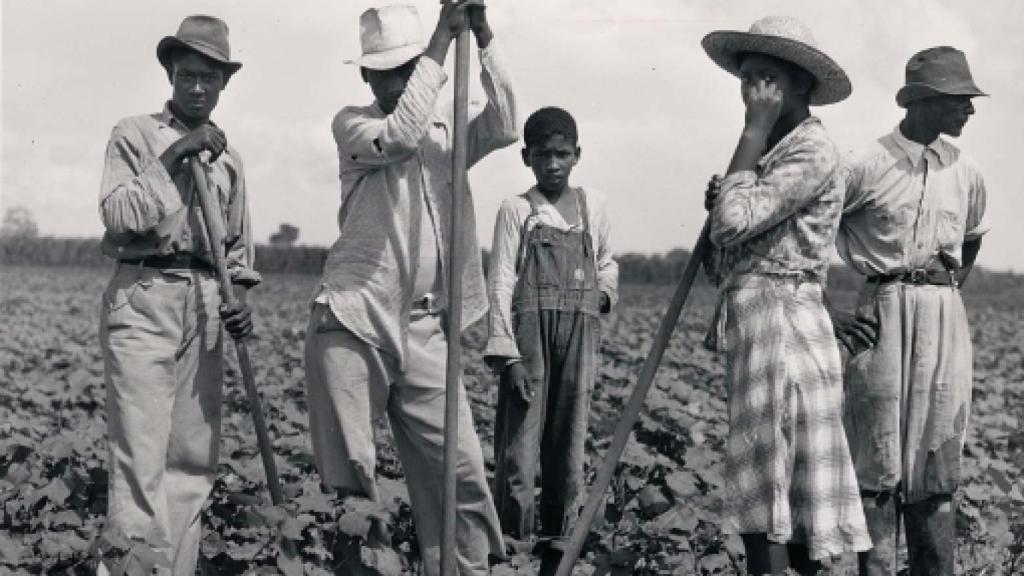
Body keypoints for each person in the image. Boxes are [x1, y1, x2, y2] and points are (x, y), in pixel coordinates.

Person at [302, 2, 517, 573]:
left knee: (462, 473)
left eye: (407, 69)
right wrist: (440, 47)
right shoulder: (354, 123)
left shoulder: (445, 132)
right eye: (387, 71)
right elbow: (399, 137)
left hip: (424, 325)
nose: (398, 82)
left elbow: (506, 123)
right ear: (366, 75)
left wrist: (483, 35)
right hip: (354, 319)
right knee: (354, 483)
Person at [700, 16, 872, 575]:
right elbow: (720, 257)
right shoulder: (770, 152)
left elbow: (731, 225)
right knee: (773, 489)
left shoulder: (812, 150)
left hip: (785, 330)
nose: (754, 92)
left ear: (800, 86)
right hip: (760, 325)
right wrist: (735, 181)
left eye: (767, 79)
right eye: (747, 79)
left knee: (776, 494)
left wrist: (748, 143)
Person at [96, 15, 258, 574]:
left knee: (191, 462)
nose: (197, 88)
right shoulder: (134, 134)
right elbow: (118, 218)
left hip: (205, 306)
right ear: (170, 73)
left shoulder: (230, 159)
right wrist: (176, 154)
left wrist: (238, 300)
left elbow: (236, 252)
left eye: (209, 79)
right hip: (143, 295)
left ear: (223, 84)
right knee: (141, 459)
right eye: (187, 75)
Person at [830, 46, 988, 576]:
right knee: (875, 465)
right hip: (882, 313)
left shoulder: (966, 172)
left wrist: (939, 290)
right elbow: (808, 231)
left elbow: (970, 240)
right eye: (959, 101)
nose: (968, 111)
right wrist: (829, 307)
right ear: (922, 101)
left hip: (944, 318)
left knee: (937, 466)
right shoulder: (864, 164)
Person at [484, 107, 618, 574]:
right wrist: (508, 357)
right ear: (527, 157)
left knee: (568, 447)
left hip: (579, 337)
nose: (554, 164)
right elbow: (501, 281)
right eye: (543, 155)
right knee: (519, 451)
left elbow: (607, 262)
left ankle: (558, 552)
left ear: (577, 155)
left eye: (562, 154)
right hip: (529, 342)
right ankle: (512, 547)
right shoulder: (517, 209)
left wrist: (602, 295)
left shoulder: (591, 205)